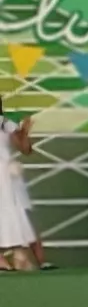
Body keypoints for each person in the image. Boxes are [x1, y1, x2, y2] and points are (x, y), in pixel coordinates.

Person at [0, 107, 36, 272]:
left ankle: (19, 256)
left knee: (12, 212)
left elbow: (26, 149)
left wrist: (24, 132)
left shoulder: (5, 123)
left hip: (6, 176)